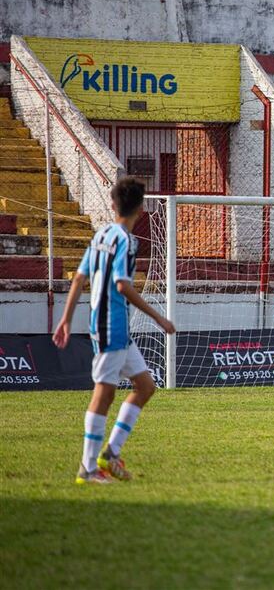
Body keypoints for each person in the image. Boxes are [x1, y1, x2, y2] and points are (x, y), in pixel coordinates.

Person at [53, 177, 176, 485]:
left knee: (145, 386)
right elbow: (122, 285)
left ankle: (110, 453)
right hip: (111, 326)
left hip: (113, 328)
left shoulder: (101, 235)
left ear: (113, 204)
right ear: (142, 208)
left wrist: (66, 319)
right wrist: (159, 318)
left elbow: (79, 279)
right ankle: (87, 468)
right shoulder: (125, 240)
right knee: (103, 394)